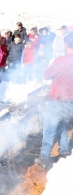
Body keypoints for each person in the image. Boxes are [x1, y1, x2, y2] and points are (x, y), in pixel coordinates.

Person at [34, 32, 73, 170]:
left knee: (49, 131)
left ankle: (44, 158)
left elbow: (46, 75)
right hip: (71, 105)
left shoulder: (61, 60)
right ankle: (64, 151)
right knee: (62, 126)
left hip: (58, 103)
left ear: (66, 44)